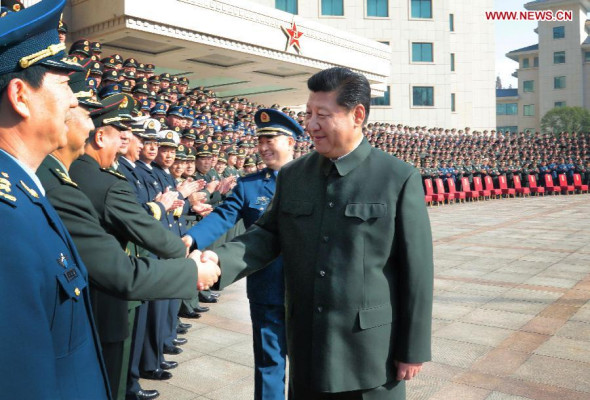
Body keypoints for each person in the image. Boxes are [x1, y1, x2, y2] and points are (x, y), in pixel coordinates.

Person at [194, 67, 434, 399]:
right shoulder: (294, 175)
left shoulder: (397, 177)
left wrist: (413, 347)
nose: (311, 125)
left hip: (371, 355)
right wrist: (219, 261)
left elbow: (417, 272)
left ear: (357, 115)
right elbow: (265, 235)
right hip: (309, 349)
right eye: (308, 114)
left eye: (322, 115)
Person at [36, 63, 219, 400]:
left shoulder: (64, 174)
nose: (123, 141)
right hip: (108, 292)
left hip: (93, 292)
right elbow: (124, 265)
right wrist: (192, 265)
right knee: (112, 379)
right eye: (86, 115)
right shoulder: (79, 180)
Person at [0, 0, 110, 397]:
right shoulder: (5, 218)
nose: (73, 102)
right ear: (20, 95)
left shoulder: (24, 188)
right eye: (64, 85)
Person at [186, 109, 303, 400]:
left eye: (271, 139)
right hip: (267, 286)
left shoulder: (314, 179)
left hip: (308, 287)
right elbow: (224, 216)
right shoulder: (250, 185)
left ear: (291, 142)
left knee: (308, 365)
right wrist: (190, 239)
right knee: (269, 363)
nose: (263, 147)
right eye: (260, 140)